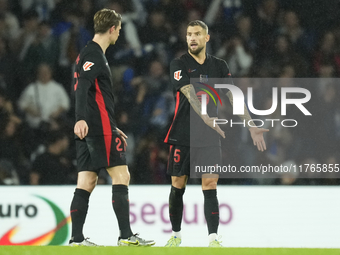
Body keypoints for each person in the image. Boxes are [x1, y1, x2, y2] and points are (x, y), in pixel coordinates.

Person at [164, 20, 269, 247]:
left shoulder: (219, 65)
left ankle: (213, 238)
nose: (192, 38)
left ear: (206, 38)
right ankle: (175, 235)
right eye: (189, 34)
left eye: (197, 34)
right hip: (183, 133)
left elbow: (233, 96)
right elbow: (188, 90)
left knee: (210, 185)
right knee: (177, 185)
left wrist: (251, 125)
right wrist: (204, 116)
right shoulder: (178, 63)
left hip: (210, 135)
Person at [69, 8, 155, 247]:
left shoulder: (89, 53)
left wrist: (111, 126)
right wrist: (81, 118)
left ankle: (76, 239)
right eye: (118, 29)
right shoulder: (93, 54)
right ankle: (126, 236)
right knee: (121, 175)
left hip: (94, 125)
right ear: (112, 29)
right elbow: (83, 88)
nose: (119, 34)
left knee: (87, 181)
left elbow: (94, 94)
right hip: (95, 126)